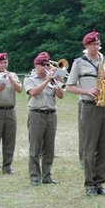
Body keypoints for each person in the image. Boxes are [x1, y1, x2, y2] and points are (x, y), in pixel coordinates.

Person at [66, 31, 105, 197]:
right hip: (90, 106)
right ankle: (89, 184)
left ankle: (99, 182)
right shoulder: (79, 63)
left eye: (98, 44)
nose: (97, 46)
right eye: (93, 44)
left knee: (104, 147)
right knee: (90, 146)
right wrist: (87, 90)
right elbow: (70, 86)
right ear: (86, 46)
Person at [24, 52, 64, 186]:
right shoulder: (30, 78)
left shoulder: (52, 79)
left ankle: (47, 175)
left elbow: (60, 96)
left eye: (48, 65)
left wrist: (57, 82)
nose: (46, 67)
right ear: (36, 65)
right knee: (35, 148)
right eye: (43, 65)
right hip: (36, 113)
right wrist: (47, 80)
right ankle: (35, 176)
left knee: (49, 148)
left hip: (51, 114)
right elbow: (34, 92)